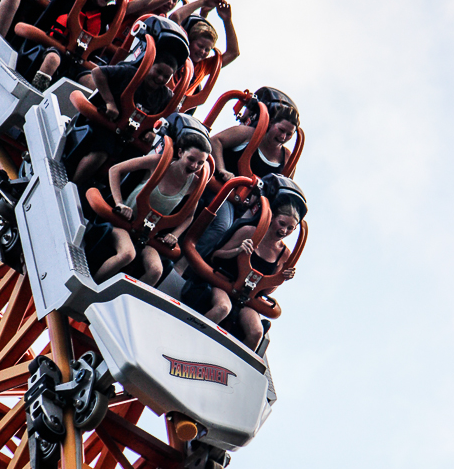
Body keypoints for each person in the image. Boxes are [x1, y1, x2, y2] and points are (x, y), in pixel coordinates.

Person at [89, 129, 212, 284]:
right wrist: (119, 203)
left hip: (148, 234)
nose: (195, 166)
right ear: (180, 153)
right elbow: (115, 170)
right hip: (124, 223)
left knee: (156, 271)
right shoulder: (159, 162)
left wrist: (175, 235)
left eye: (200, 163)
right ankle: (89, 289)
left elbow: (189, 216)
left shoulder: (194, 184)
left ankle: (123, 302)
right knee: (127, 254)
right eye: (191, 159)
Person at [194, 94, 300, 258]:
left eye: (289, 134)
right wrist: (222, 169)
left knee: (248, 233)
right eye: (281, 130)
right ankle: (187, 264)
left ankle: (214, 269)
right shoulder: (248, 134)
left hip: (245, 204)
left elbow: (281, 189)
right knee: (223, 226)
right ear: (271, 124)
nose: (283, 137)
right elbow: (215, 141)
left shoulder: (285, 157)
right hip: (219, 189)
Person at [183, 204, 299, 351]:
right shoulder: (249, 232)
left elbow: (267, 291)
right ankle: (188, 341)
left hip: (246, 297)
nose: (284, 231)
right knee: (223, 308)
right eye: (282, 224)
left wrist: (281, 278)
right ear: (273, 218)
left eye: (290, 228)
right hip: (224, 283)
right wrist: (238, 250)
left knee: (256, 332)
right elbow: (216, 256)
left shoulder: (284, 255)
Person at [70, 49, 179, 186]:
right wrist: (110, 102)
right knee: (101, 152)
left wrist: (153, 134)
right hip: (106, 124)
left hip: (130, 137)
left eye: (166, 77)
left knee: (133, 166)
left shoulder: (165, 96)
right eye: (158, 72)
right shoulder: (132, 73)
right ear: (150, 65)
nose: (160, 78)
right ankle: (73, 185)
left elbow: (172, 119)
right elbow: (97, 72)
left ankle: (105, 195)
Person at [29, 0, 127, 90]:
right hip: (49, 48)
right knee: (52, 59)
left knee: (94, 83)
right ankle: (35, 91)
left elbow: (141, 5)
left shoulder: (105, 14)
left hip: (76, 61)